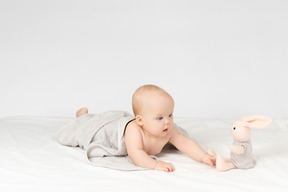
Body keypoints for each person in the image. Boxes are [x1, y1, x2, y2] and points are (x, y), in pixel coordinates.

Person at [76, 84, 216, 172]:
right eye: (160, 118)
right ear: (140, 121)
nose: (167, 122)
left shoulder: (168, 130)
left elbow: (185, 143)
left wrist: (203, 156)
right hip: (110, 131)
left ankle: (84, 117)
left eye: (170, 115)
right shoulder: (133, 129)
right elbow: (136, 154)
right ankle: (82, 117)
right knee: (86, 128)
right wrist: (155, 165)